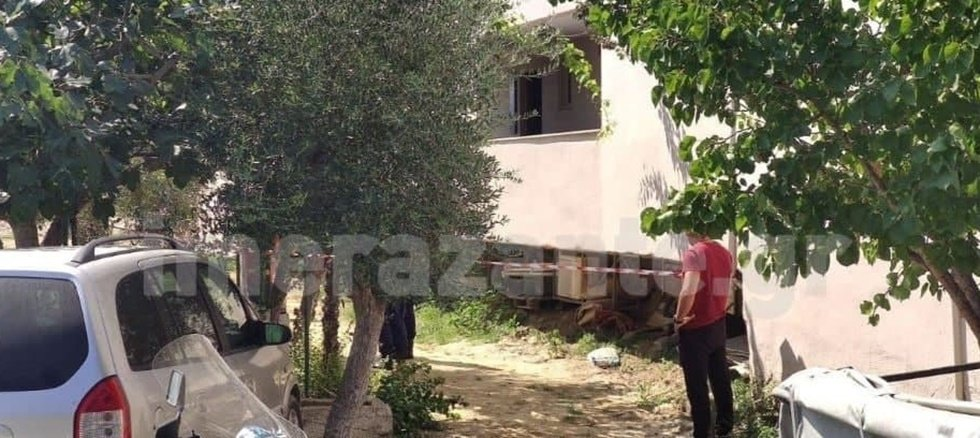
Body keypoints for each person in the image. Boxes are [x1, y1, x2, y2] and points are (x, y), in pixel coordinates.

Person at [674, 232, 735, 438]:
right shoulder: (723, 252)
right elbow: (724, 290)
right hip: (717, 323)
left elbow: (688, 291)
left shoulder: (694, 253)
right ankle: (725, 424)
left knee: (697, 385)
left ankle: (702, 432)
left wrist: (679, 318)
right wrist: (717, 309)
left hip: (695, 328)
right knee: (720, 376)